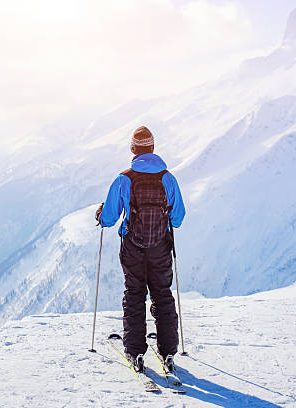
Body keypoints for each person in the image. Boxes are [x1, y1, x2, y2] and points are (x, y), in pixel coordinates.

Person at [95, 126, 185, 374]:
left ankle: (135, 351)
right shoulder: (168, 178)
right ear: (153, 148)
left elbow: (110, 217)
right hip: (161, 248)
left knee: (134, 295)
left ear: (133, 149)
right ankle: (168, 350)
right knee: (162, 295)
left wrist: (100, 215)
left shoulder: (124, 178)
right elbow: (178, 217)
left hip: (132, 248)